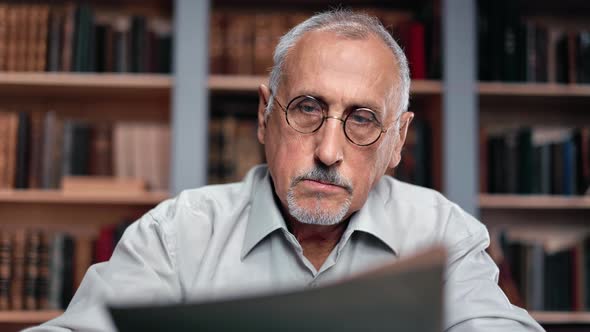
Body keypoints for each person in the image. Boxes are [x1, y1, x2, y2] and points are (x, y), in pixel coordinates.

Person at [28, 10, 544, 332]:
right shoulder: (176, 232)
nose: (327, 150)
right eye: (306, 108)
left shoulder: (442, 233)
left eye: (362, 120)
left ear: (397, 141)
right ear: (264, 114)